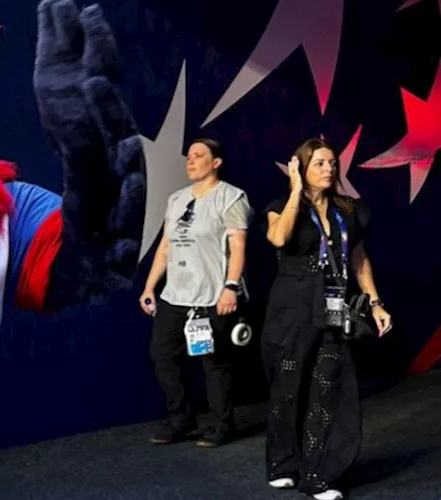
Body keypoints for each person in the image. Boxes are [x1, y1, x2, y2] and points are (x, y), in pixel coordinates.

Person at [262, 137, 393, 500]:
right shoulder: (280, 206)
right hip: (291, 307)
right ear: (301, 168)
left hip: (332, 306)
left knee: (328, 387)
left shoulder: (348, 210)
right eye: (319, 163)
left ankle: (319, 474)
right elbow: (278, 238)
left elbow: (359, 259)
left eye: (333, 163)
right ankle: (282, 462)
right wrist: (294, 192)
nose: (329, 169)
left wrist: (375, 302)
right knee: (289, 389)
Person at [140, 137, 251, 448]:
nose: (191, 161)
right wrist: (150, 286)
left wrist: (230, 287)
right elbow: (165, 246)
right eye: (188, 156)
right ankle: (181, 420)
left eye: (199, 155)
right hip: (175, 295)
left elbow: (238, 246)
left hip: (212, 297)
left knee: (213, 364)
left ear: (216, 162)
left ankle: (221, 424)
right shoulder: (176, 199)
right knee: (161, 355)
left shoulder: (231, 197)